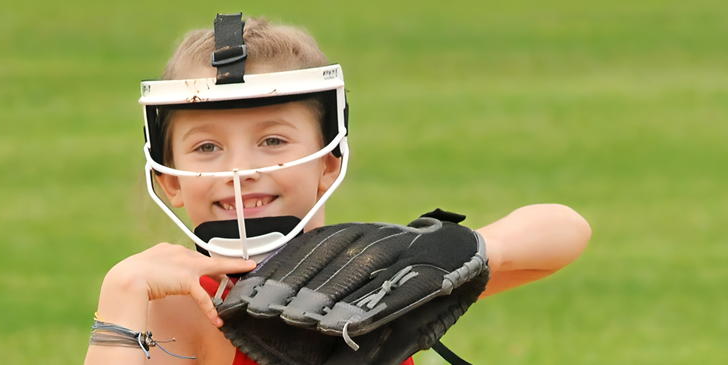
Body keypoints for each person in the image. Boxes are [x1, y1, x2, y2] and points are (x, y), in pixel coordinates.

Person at [85, 14, 591, 365]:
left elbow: (565, 232)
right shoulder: (180, 302)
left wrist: (455, 254)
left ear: (329, 162)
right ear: (170, 179)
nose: (240, 169)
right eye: (207, 148)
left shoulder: (371, 281)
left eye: (273, 140)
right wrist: (123, 293)